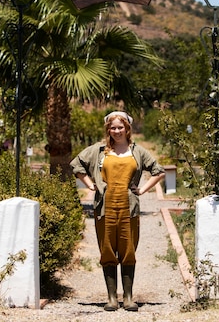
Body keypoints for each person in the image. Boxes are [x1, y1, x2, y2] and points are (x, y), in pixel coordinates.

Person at [70, 111, 165, 312]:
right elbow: (77, 165)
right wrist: (90, 185)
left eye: (120, 127)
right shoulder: (99, 150)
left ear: (127, 128)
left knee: (128, 250)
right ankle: (112, 298)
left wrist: (142, 190)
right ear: (108, 129)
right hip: (104, 208)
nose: (116, 131)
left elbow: (158, 171)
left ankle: (129, 298)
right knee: (107, 250)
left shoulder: (137, 151)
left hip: (129, 208)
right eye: (112, 128)